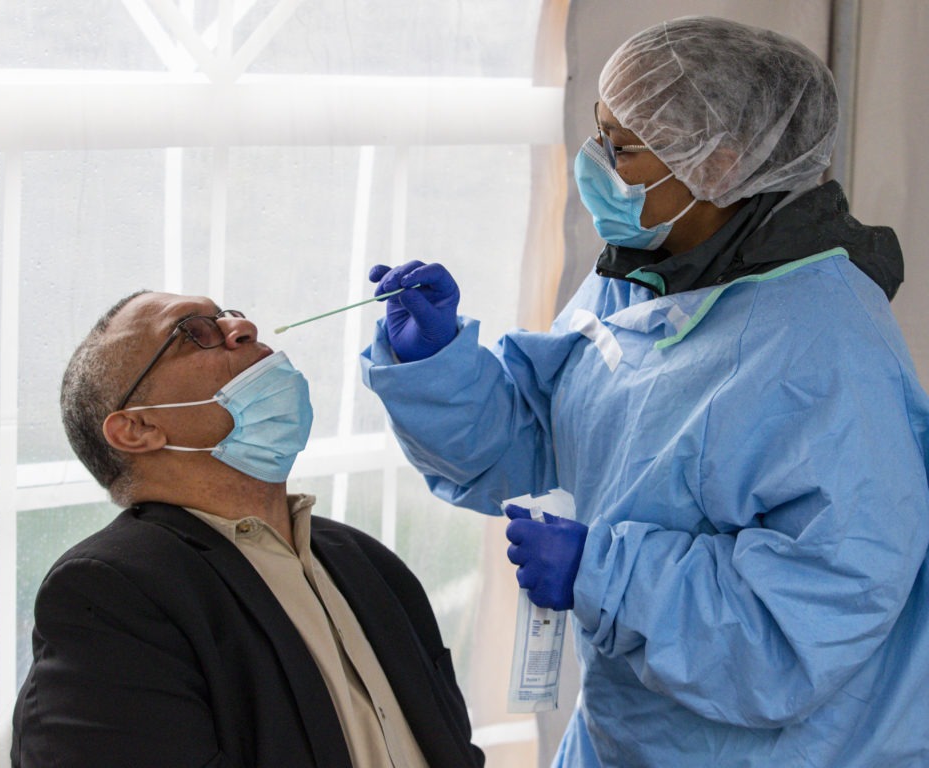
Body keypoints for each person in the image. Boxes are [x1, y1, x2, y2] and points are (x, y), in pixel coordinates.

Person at [360, 15, 929, 768]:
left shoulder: (825, 349)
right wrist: (437, 369)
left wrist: (603, 572)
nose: (595, 164)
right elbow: (548, 451)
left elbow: (815, 617)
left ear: (720, 164)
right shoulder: (643, 277)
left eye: (622, 149)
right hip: (629, 734)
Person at [10, 290, 485, 768]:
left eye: (229, 316)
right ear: (136, 428)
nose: (243, 329)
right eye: (192, 332)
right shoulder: (113, 594)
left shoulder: (364, 561)